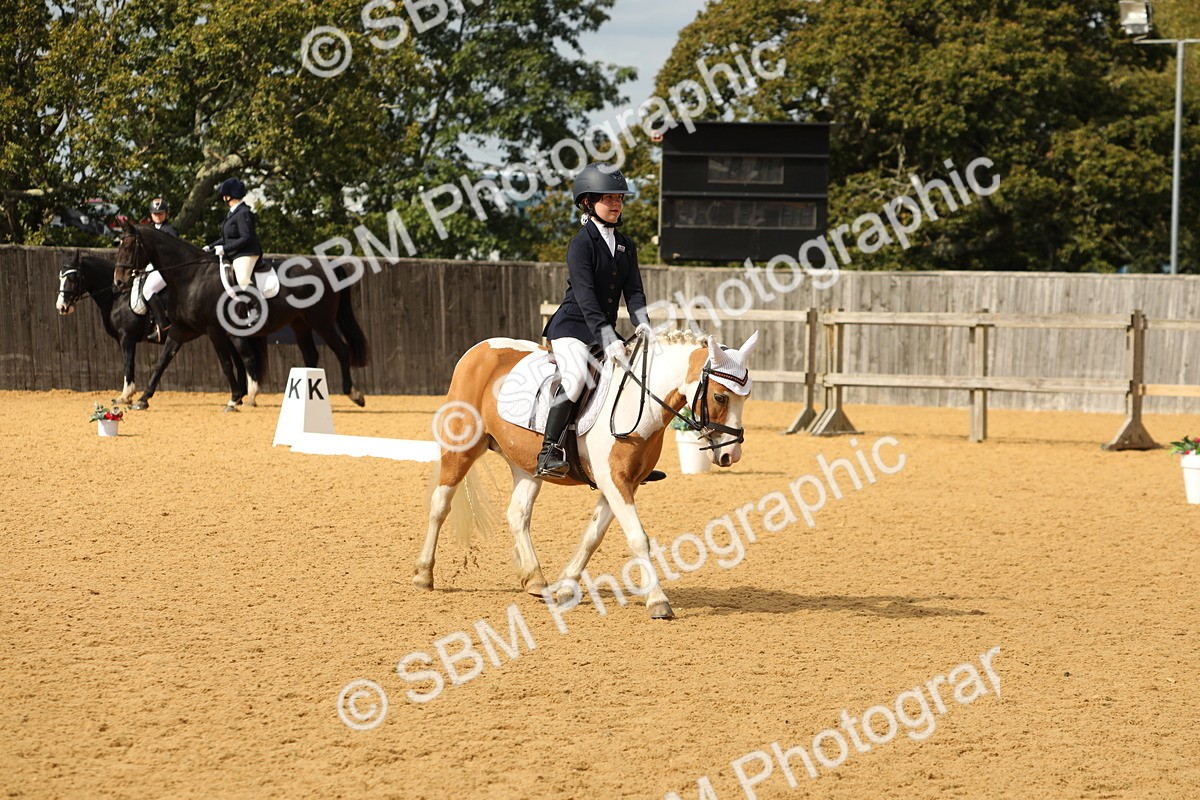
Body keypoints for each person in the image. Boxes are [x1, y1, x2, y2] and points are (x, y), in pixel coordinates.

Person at [536, 162, 654, 478]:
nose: (616, 204)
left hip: (603, 331)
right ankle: (549, 451)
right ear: (588, 202)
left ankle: (632, 457)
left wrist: (643, 323)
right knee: (576, 378)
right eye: (609, 198)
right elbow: (586, 297)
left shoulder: (626, 245)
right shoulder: (581, 244)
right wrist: (607, 335)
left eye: (619, 198)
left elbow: (634, 291)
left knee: (634, 376)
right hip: (572, 327)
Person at [205, 177, 263, 318]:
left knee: (242, 280)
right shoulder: (232, 212)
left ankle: (259, 312)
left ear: (229, 196)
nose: (223, 198)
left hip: (246, 253)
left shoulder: (243, 212)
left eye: (224, 195)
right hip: (236, 252)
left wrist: (225, 249)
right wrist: (210, 247)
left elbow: (246, 237)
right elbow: (227, 238)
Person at [141, 196, 178, 342]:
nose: (158, 216)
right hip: (154, 267)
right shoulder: (151, 231)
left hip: (167, 268)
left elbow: (173, 252)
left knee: (148, 290)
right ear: (151, 215)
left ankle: (163, 326)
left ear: (166, 214)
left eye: (161, 213)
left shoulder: (170, 230)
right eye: (155, 214)